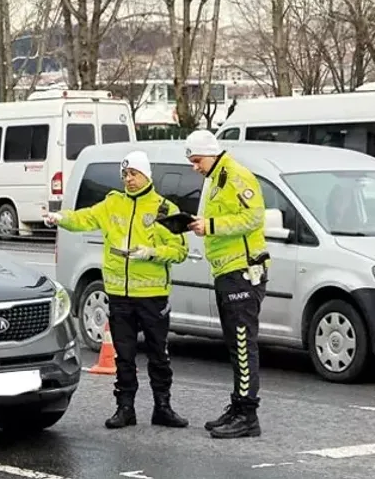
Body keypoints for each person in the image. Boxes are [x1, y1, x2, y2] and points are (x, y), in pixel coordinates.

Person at [43, 150, 190, 429]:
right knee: (124, 355)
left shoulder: (163, 209)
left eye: (133, 174)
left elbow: (180, 251)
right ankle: (125, 409)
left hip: (152, 295)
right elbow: (85, 218)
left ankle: (163, 407)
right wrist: (60, 218)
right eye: (125, 174)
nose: (129, 179)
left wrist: (150, 252)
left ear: (146, 175)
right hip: (119, 294)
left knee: (159, 354)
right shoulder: (113, 204)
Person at [184, 130, 270, 439]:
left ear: (210, 153)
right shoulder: (215, 177)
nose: (195, 167)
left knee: (243, 345)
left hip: (243, 271)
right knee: (235, 345)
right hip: (227, 271)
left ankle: (247, 414)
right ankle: (238, 406)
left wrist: (209, 226)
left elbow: (253, 219)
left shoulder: (234, 175)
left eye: (196, 160)